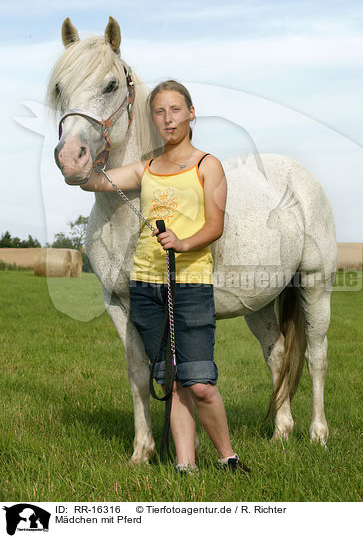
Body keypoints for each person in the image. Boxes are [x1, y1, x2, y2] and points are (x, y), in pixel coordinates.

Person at [81, 80, 250, 475]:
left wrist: (183, 241)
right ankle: (185, 466)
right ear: (152, 119)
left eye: (176, 109)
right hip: (146, 285)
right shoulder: (146, 168)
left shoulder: (208, 165)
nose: (168, 118)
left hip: (189, 284)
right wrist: (84, 153)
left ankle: (228, 457)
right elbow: (94, 181)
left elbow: (215, 225)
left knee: (200, 381)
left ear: (191, 113)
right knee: (171, 381)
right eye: (159, 111)